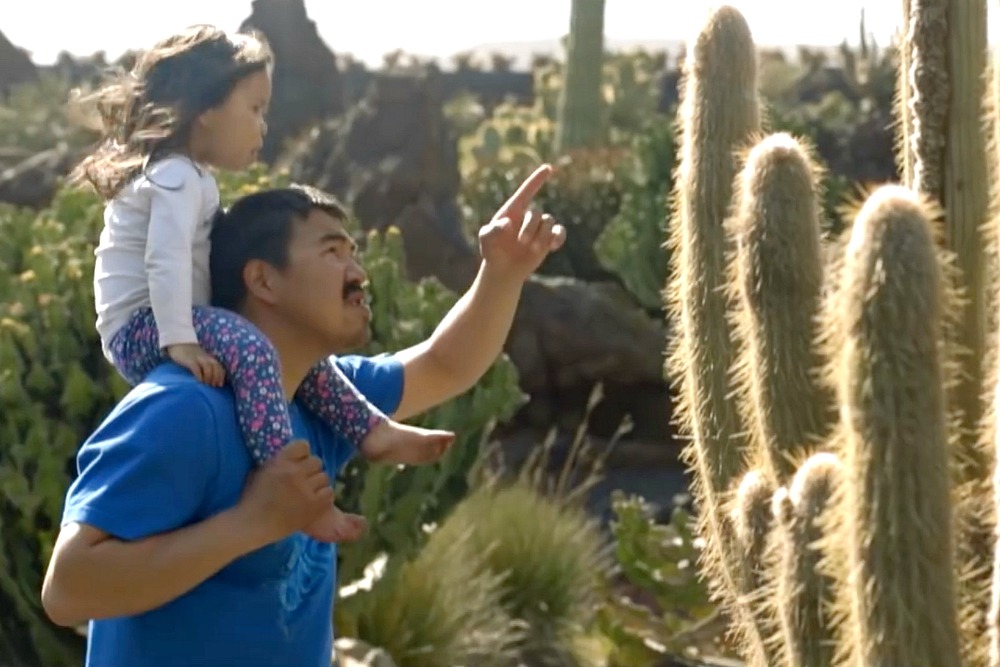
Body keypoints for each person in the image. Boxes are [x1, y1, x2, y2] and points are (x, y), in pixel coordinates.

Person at [41, 163, 565, 666]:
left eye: (355, 253)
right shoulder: (185, 408)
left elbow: (445, 365)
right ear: (264, 281)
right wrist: (250, 524)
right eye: (333, 252)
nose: (359, 273)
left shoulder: (325, 401)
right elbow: (67, 589)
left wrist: (502, 274)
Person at [68, 24, 452, 544]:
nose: (263, 126)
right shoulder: (176, 176)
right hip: (146, 328)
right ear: (205, 109)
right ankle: (293, 493)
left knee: (291, 359)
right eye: (254, 110)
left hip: (171, 320)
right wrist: (178, 340)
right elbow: (164, 261)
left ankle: (373, 431)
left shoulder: (190, 177)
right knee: (253, 350)